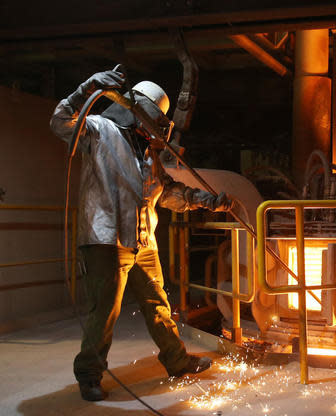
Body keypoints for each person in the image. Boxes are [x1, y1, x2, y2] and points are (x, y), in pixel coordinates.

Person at [50, 69, 232, 401]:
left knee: (158, 304)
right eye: (154, 118)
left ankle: (177, 361)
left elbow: (168, 193)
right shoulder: (99, 130)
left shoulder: (146, 153)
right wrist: (87, 87)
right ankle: (89, 374)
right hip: (105, 239)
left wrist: (206, 201)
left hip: (142, 240)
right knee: (105, 311)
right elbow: (60, 122)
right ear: (138, 109)